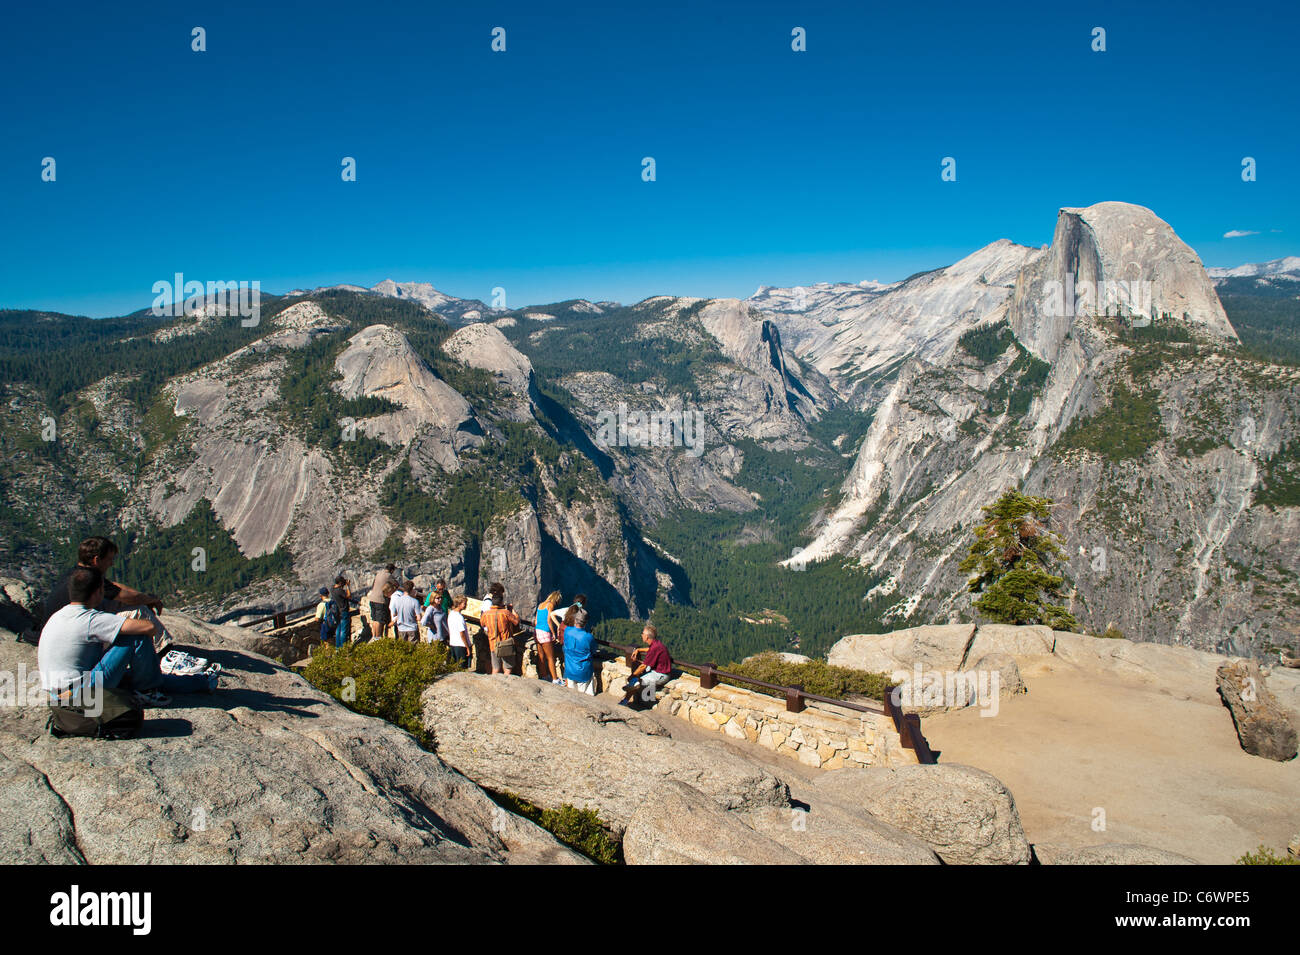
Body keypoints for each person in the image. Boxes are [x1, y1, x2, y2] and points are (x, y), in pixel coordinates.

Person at [38, 566, 215, 709]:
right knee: (135, 639)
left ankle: (202, 682)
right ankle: (147, 692)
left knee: (135, 676)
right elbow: (149, 627)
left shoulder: (58, 615)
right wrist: (116, 628)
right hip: (82, 692)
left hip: (59, 694)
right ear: (96, 593)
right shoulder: (92, 619)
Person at [41, 536, 171, 652]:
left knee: (124, 603)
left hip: (59, 629)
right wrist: (150, 600)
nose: (112, 563)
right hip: (73, 636)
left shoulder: (78, 573)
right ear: (97, 560)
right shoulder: (91, 578)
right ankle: (165, 653)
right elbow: (129, 597)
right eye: (109, 559)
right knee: (138, 611)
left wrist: (146, 598)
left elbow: (115, 588)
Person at [620, 624, 673, 706]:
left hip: (661, 674)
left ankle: (626, 699)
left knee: (636, 681)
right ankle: (627, 696)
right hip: (657, 670)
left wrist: (631, 676)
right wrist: (639, 649)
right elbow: (650, 649)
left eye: (643, 634)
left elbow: (643, 666)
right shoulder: (656, 644)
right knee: (636, 679)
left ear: (647, 637)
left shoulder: (655, 647)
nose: (641, 635)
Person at [479, 582, 521, 675]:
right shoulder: (505, 613)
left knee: (496, 668)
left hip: (493, 642)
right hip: (506, 642)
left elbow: (482, 624)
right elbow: (516, 621)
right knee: (507, 668)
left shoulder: (486, 614)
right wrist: (512, 610)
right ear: (501, 602)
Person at [563, 608, 598, 696]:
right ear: (585, 622)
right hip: (583, 672)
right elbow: (593, 651)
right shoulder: (588, 637)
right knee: (584, 697)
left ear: (575, 620)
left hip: (569, 670)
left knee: (571, 696)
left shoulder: (567, 631)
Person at [535, 591, 563, 685]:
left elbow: (536, 620)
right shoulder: (550, 605)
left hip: (537, 631)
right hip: (545, 631)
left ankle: (544, 676)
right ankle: (555, 679)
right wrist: (553, 633)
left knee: (541, 656)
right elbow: (549, 620)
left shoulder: (540, 605)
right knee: (551, 657)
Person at [367, 564, 397, 641]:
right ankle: (378, 637)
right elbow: (396, 584)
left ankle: (374, 636)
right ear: (392, 570)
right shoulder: (389, 576)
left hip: (372, 598)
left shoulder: (379, 573)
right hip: (380, 600)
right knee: (379, 620)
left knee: (374, 619)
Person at [447, 595, 472, 669]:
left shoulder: (451, 614)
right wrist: (467, 647)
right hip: (461, 645)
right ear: (459, 604)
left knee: (454, 667)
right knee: (462, 667)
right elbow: (462, 633)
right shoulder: (459, 617)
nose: (466, 605)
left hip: (453, 644)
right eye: (464, 603)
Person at [422, 579, 451, 643]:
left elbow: (451, 604)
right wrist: (431, 624)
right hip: (435, 632)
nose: (440, 591)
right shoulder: (432, 595)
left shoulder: (446, 594)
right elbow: (425, 607)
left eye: (442, 589)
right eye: (439, 589)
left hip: (444, 623)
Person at [329, 575, 352, 648]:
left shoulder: (332, 589)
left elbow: (337, 586)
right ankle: (343, 648)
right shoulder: (339, 591)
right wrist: (348, 586)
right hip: (343, 611)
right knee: (344, 631)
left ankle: (338, 648)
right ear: (340, 583)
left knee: (338, 629)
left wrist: (343, 584)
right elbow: (348, 595)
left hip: (337, 612)